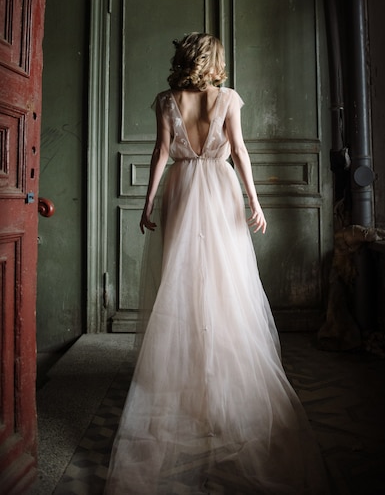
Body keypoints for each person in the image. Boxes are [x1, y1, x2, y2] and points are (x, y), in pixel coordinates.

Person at [105, 33, 329, 494]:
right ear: (215, 61)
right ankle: (213, 383)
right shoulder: (227, 99)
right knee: (227, 286)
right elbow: (240, 151)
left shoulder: (168, 101)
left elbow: (162, 154)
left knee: (183, 283)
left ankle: (190, 381)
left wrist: (146, 204)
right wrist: (255, 199)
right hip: (219, 189)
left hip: (183, 192)